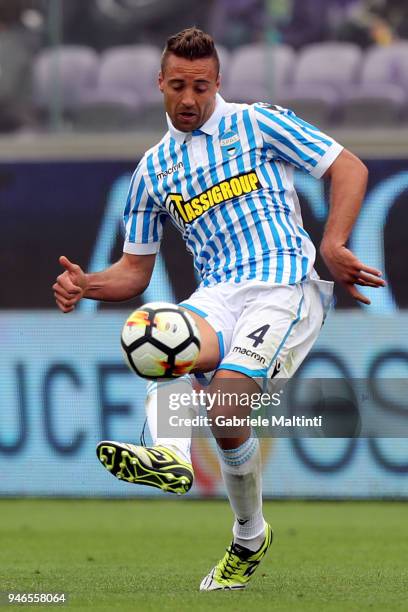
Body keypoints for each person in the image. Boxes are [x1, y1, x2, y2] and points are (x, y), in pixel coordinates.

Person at [53, 27, 385, 591]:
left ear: (217, 84)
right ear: (160, 82)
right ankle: (177, 464)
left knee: (226, 404)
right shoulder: (152, 170)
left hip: (284, 285)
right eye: (178, 85)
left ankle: (235, 522)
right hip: (218, 294)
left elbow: (347, 167)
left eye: (200, 86)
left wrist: (333, 243)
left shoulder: (257, 123)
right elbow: (134, 272)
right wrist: (87, 286)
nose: (189, 98)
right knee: (154, 331)